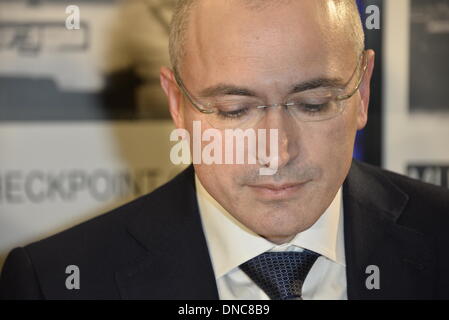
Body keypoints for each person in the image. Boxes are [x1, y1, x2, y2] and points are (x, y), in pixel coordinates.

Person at [1, 0, 448, 300]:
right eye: (235, 110)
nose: (276, 151)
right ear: (177, 103)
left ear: (363, 92)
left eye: (314, 104)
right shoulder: (53, 282)